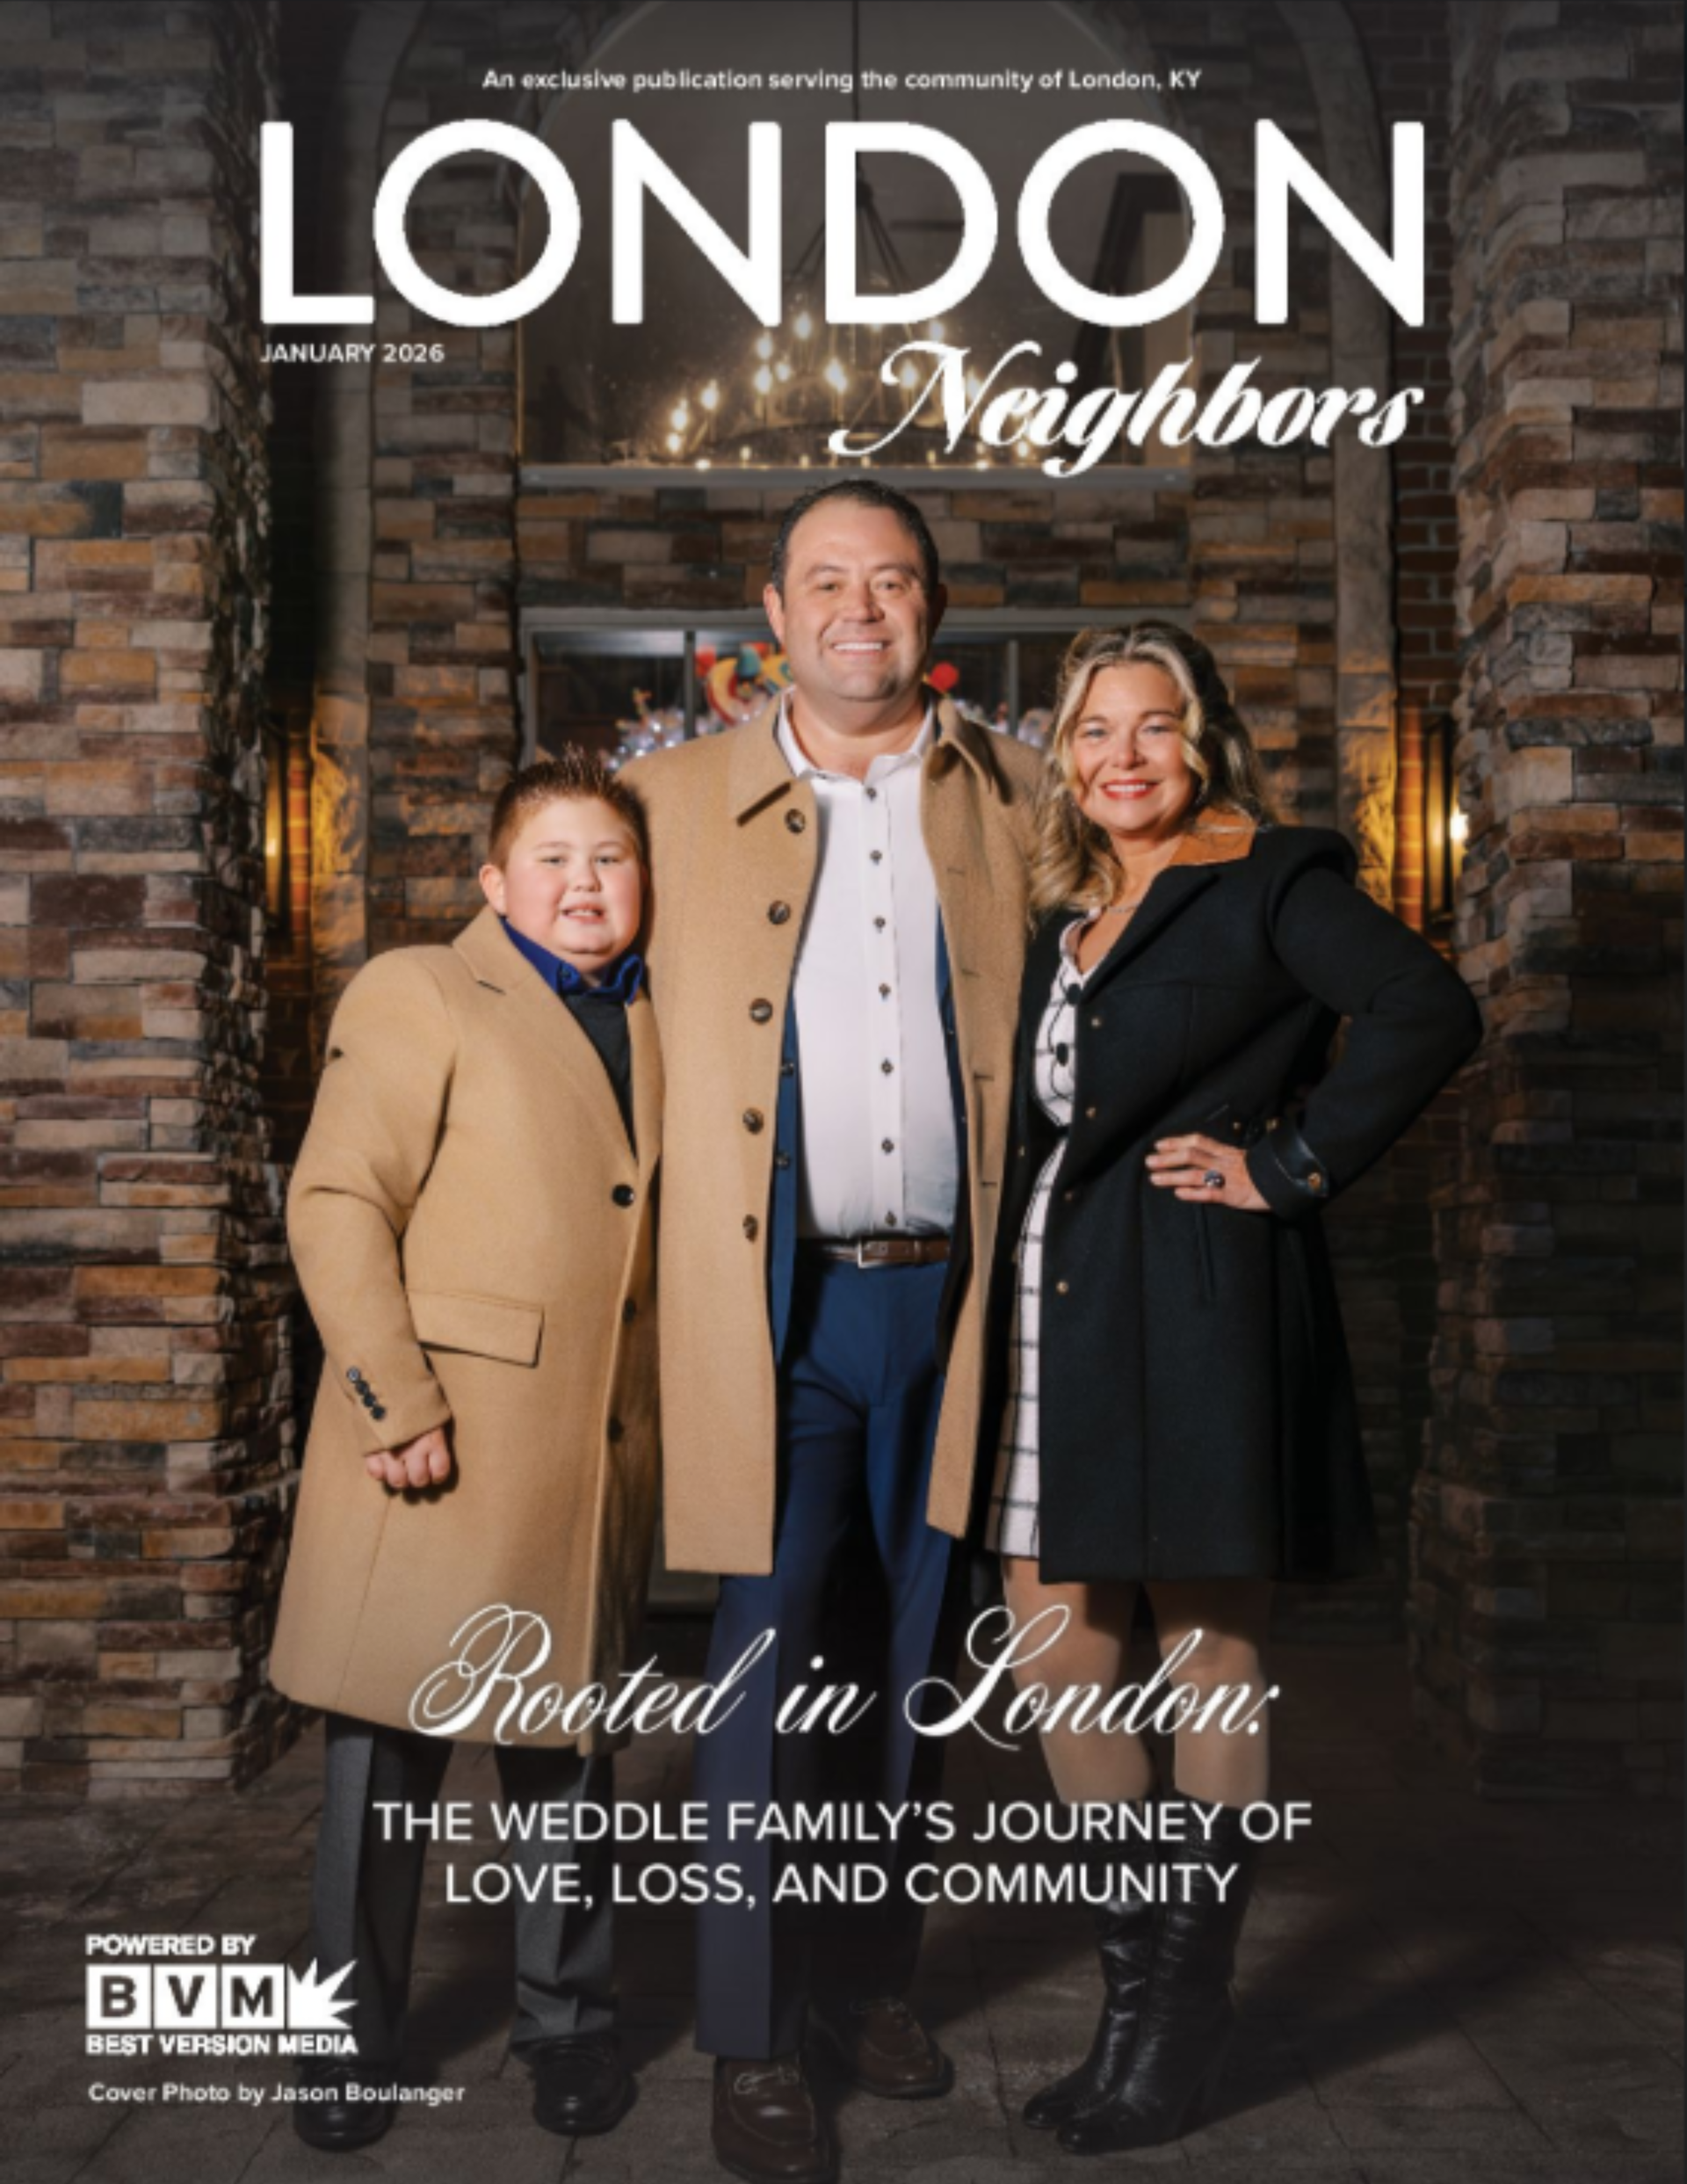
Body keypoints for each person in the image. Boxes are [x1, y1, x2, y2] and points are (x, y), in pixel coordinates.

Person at [979, 623, 1483, 2155]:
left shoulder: (1273, 878)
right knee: (1056, 1642)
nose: (1121, 755)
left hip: (1196, 1309)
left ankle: (1172, 2037)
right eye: (1093, 731)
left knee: (1206, 1652)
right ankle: (1141, 2008)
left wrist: (1292, 1166)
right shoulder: (1064, 902)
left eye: (1154, 726)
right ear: (1066, 755)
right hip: (1054, 1312)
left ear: (1202, 742)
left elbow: (1431, 1010)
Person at [620, 479, 1041, 2184]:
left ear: (931, 614)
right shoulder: (658, 804)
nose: (862, 606)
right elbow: (539, 991)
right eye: (826, 580)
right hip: (768, 1312)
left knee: (910, 1673)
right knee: (760, 1679)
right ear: (772, 614)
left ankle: (871, 1981)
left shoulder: (1019, 795)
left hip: (952, 1300)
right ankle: (749, 2034)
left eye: (895, 580)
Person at [269, 750, 662, 2151]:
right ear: (495, 883)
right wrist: (397, 1401)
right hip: (436, 1449)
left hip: (582, 1464)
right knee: (386, 1763)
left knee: (564, 1761)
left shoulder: (666, 1019)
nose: (585, 885)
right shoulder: (423, 988)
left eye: (611, 860)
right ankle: (343, 2050)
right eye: (553, 859)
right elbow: (332, 1200)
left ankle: (569, 2034)